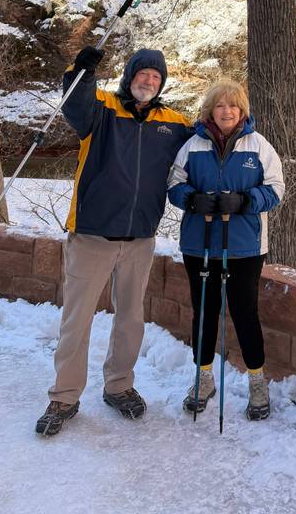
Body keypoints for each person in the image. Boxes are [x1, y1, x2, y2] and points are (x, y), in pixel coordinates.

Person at [35, 46, 192, 436]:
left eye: (156, 77)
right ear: (130, 76)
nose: (149, 81)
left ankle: (119, 386)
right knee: (77, 320)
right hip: (92, 234)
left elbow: (210, 139)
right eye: (143, 74)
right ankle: (65, 396)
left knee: (130, 319)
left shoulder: (172, 123)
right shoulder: (102, 109)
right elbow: (74, 103)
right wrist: (82, 70)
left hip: (140, 238)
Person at [167, 78, 284, 420]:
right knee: (204, 312)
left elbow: (276, 188)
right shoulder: (192, 146)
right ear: (210, 110)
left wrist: (246, 200)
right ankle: (203, 379)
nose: (227, 111)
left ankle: (257, 383)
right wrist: (191, 199)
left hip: (244, 246)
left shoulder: (259, 145)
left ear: (242, 110)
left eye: (233, 105)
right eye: (220, 105)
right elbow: (174, 183)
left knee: (245, 314)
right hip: (199, 243)